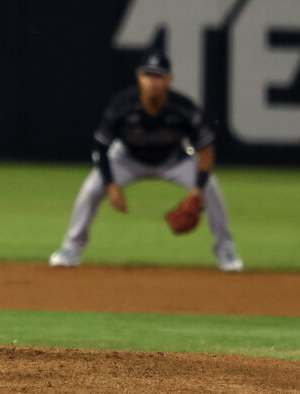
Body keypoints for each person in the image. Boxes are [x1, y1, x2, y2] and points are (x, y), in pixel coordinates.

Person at [48, 51, 243, 272]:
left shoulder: (183, 108)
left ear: (169, 79)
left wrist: (197, 190)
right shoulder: (122, 105)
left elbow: (206, 150)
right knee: (91, 189)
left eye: (158, 75)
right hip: (127, 159)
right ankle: (70, 249)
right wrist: (111, 186)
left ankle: (226, 251)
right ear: (138, 77)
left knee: (211, 188)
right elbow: (101, 148)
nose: (152, 81)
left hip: (174, 160)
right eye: (147, 74)